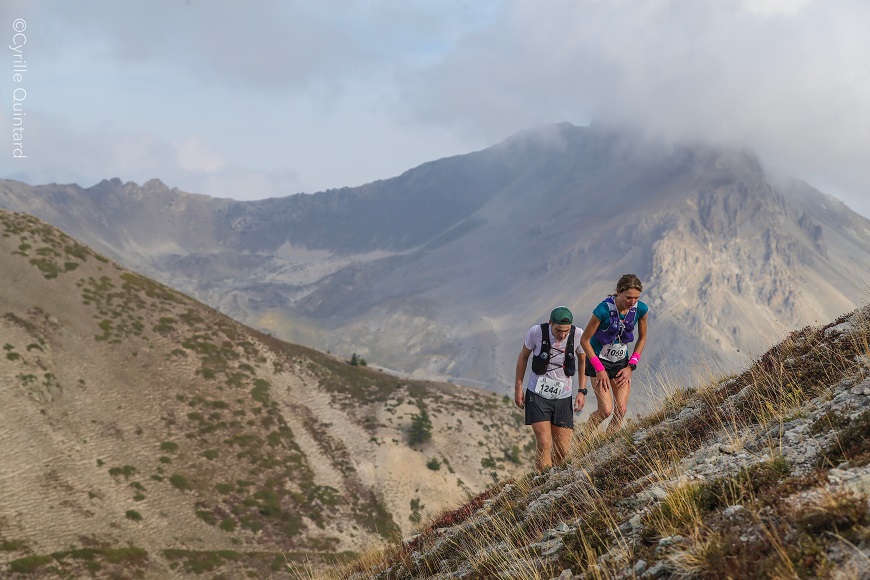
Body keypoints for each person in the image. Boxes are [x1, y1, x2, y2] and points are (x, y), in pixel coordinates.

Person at [514, 306, 587, 472]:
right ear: (550, 324)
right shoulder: (536, 332)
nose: (562, 335)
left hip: (563, 397)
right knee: (544, 442)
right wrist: (518, 387)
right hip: (537, 394)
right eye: (558, 330)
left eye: (566, 331)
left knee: (563, 450)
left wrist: (582, 391)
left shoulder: (577, 335)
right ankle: (542, 481)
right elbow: (523, 357)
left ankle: (552, 475)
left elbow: (583, 360)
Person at [579, 274, 649, 434]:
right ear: (618, 291)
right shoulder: (602, 310)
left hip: (621, 363)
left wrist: (631, 366)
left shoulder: (641, 309)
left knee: (621, 410)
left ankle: (608, 447)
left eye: (636, 298)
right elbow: (585, 340)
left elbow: (643, 338)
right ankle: (584, 438)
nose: (632, 301)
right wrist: (599, 369)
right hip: (598, 362)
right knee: (605, 411)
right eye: (629, 297)